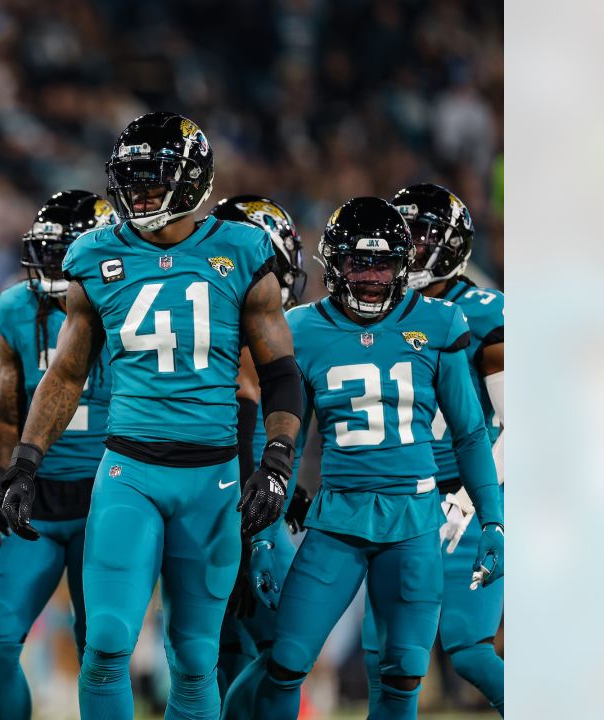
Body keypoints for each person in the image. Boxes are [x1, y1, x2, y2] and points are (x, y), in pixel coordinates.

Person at [0, 112, 303, 719]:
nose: (138, 192)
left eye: (152, 178)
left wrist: (275, 461)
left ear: (192, 179)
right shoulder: (93, 253)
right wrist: (25, 463)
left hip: (212, 479)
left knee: (194, 657)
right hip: (128, 473)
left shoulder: (242, 250)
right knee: (107, 646)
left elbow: (279, 374)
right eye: (130, 179)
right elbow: (65, 374)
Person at [224, 197, 504, 720]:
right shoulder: (302, 330)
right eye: (360, 261)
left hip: (415, 520)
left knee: (401, 676)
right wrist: (261, 535)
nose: (374, 276)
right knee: (285, 660)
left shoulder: (441, 323)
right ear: (335, 263)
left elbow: (468, 436)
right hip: (337, 521)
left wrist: (494, 520)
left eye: (384, 262)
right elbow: (282, 438)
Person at [360, 184, 506, 715]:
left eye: (421, 236)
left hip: (472, 494)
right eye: (403, 237)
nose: (410, 248)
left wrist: (471, 500)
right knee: (383, 649)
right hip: (402, 495)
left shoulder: (487, 312)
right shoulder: (380, 310)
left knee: (468, 647)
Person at [0, 190, 115, 720]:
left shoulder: (128, 301)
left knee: (100, 646)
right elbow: (8, 415)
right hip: (33, 495)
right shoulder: (16, 309)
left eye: (65, 253)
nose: (51, 266)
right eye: (47, 251)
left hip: (107, 497)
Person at [205, 195, 309, 699]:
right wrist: (253, 538)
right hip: (244, 518)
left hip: (196, 513)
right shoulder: (243, 328)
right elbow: (244, 422)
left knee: (213, 658)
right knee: (287, 649)